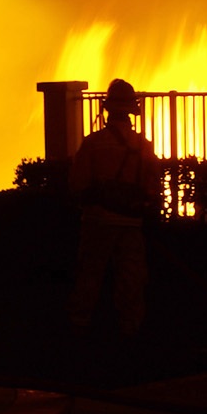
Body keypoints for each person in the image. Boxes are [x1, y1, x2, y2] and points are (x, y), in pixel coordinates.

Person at [67, 78, 160, 335]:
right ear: (132, 111)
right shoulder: (144, 145)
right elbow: (152, 185)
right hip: (131, 224)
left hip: (97, 221)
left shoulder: (92, 143)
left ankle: (80, 326)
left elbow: (77, 183)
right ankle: (130, 331)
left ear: (107, 109)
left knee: (89, 274)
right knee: (131, 279)